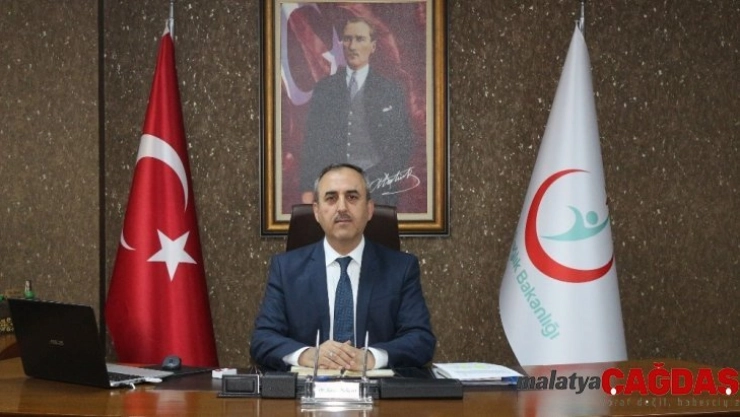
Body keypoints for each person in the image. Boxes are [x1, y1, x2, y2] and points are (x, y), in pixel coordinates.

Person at [251, 164, 435, 371]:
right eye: (331, 198)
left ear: (369, 209)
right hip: (309, 387)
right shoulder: (286, 269)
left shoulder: (401, 268)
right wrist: (307, 355)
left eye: (352, 197)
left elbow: (421, 339)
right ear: (316, 212)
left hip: (375, 387)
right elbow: (262, 339)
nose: (342, 208)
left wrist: (371, 358)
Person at [299, 17, 412, 207]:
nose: (352, 46)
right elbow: (311, 143)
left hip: (378, 190)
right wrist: (308, 189)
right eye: (347, 39)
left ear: (373, 46)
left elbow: (403, 142)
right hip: (333, 191)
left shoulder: (390, 90)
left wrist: (383, 179)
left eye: (360, 39)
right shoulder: (324, 89)